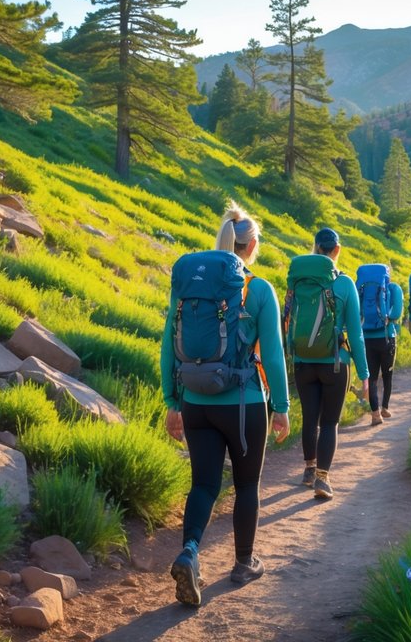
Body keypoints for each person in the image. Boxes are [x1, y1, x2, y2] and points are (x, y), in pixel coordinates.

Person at [162, 202, 291, 608]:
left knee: (203, 484)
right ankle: (243, 563)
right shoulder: (259, 289)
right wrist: (283, 406)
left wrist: (172, 401)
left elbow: (168, 344)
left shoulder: (190, 285)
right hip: (244, 404)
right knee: (247, 485)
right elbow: (272, 355)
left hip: (196, 402)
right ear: (251, 245)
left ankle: (190, 553)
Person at [289, 227, 369, 501]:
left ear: (314, 248)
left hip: (302, 362)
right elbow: (356, 333)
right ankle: (322, 479)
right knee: (330, 421)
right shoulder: (344, 284)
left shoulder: (298, 281)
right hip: (335, 362)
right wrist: (365, 373)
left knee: (310, 417)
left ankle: (309, 469)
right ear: (337, 250)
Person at [361, 265, 403, 425]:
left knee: (371, 377)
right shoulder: (393, 288)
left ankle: (375, 414)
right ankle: (385, 407)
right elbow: (396, 313)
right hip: (387, 337)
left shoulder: (363, 288)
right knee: (387, 375)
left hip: (366, 338)